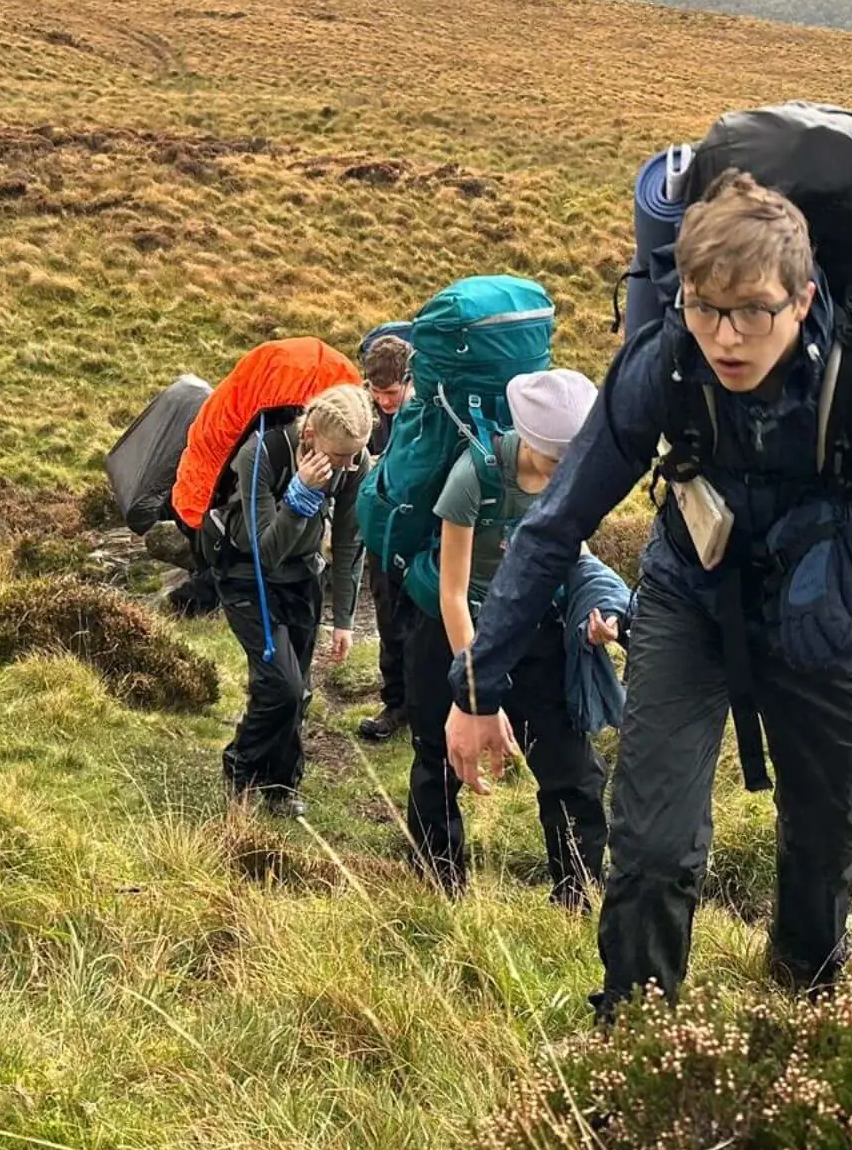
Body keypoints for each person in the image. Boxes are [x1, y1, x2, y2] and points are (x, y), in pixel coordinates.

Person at [447, 171, 852, 1012]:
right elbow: (554, 524)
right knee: (653, 843)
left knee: (832, 827)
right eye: (705, 309)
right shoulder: (663, 360)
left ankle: (803, 984)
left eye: (753, 313)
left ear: (804, 301)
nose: (726, 338)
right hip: (686, 601)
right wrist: (478, 687)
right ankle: (635, 1029)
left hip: (821, 615)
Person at [401, 367, 609, 907]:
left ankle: (578, 896)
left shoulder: (573, 478)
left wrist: (598, 608)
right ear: (533, 439)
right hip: (454, 628)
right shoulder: (475, 476)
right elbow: (452, 592)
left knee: (574, 769)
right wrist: (478, 693)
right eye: (558, 456)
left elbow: (575, 555)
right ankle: (438, 890)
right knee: (439, 758)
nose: (569, 469)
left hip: (536, 627)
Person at [206, 383, 373, 817]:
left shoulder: (355, 462)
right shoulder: (260, 454)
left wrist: (344, 619)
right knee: (282, 686)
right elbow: (266, 551)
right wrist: (300, 495)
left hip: (303, 579)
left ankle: (282, 782)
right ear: (312, 435)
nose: (349, 466)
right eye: (341, 457)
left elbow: (351, 543)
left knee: (299, 694)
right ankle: (240, 768)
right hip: (247, 576)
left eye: (357, 455)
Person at [357, 335, 415, 743]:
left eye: (391, 393)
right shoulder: (367, 412)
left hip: (420, 534)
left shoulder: (429, 412)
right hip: (381, 534)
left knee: (423, 622)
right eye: (376, 393)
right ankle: (396, 704)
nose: (384, 402)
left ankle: (427, 705)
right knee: (388, 618)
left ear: (408, 380)